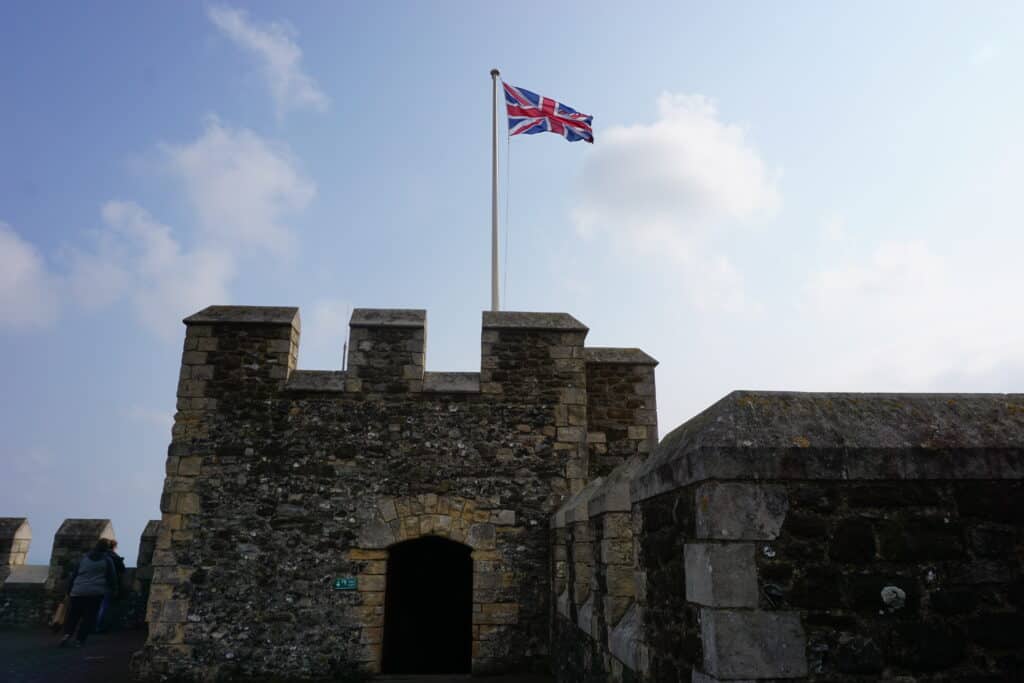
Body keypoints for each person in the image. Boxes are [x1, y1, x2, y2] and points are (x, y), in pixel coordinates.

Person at [59, 538, 117, 647]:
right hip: (95, 593)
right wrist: (114, 590)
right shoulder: (107, 560)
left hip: (78, 591)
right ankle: (79, 640)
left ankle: (67, 635)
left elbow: (74, 575)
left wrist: (69, 590)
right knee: (89, 617)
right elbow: (112, 578)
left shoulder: (84, 558)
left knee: (73, 615)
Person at [95, 538, 126, 631]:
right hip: (107, 584)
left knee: (94, 606)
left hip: (93, 584)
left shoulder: (94, 556)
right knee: (103, 606)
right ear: (114, 547)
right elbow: (122, 570)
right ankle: (98, 626)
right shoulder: (113, 556)